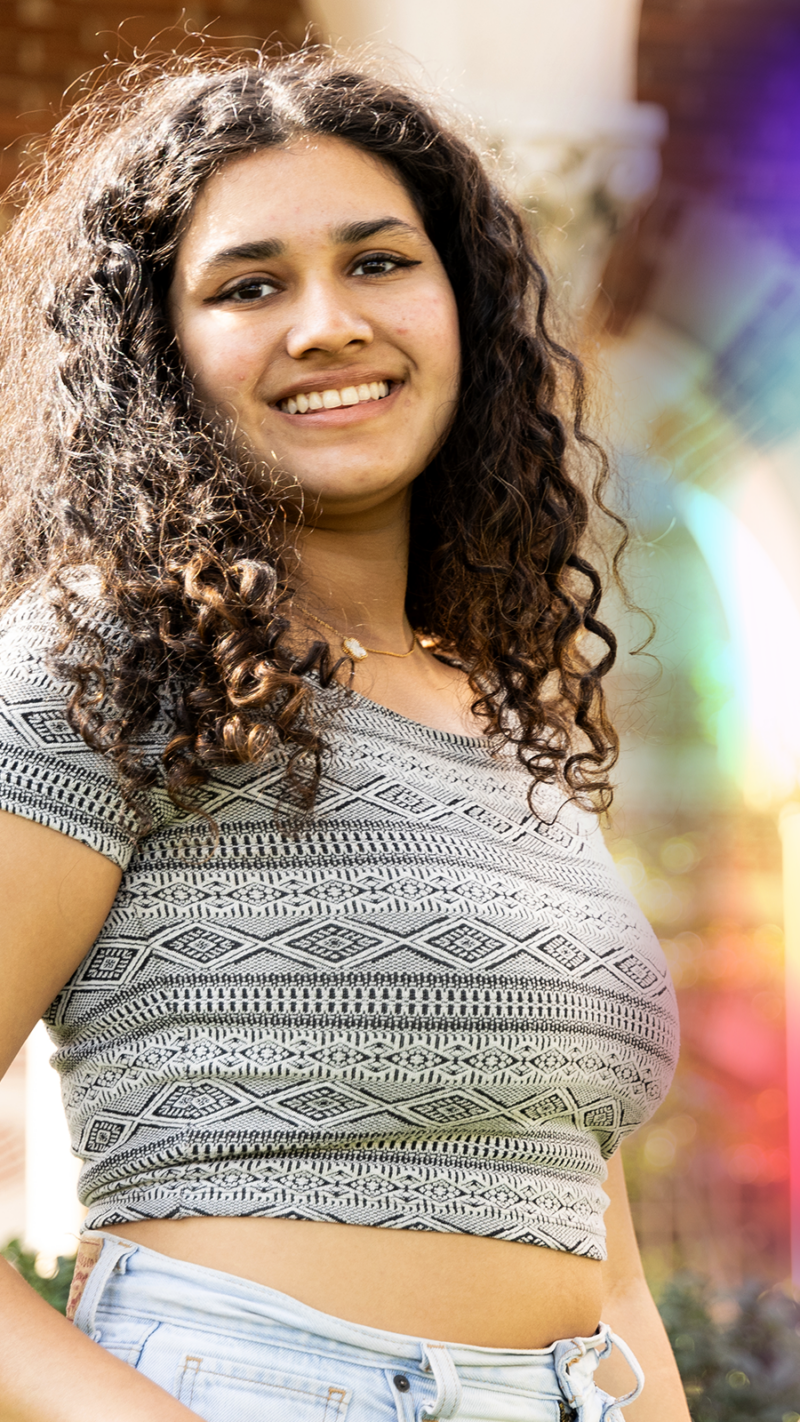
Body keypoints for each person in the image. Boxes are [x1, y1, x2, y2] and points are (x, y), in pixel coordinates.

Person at [0, 50, 688, 1422]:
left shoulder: (517, 718)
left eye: (378, 263)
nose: (326, 324)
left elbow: (592, 1240)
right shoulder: (109, 659)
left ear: (464, 304)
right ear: (160, 345)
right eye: (250, 285)